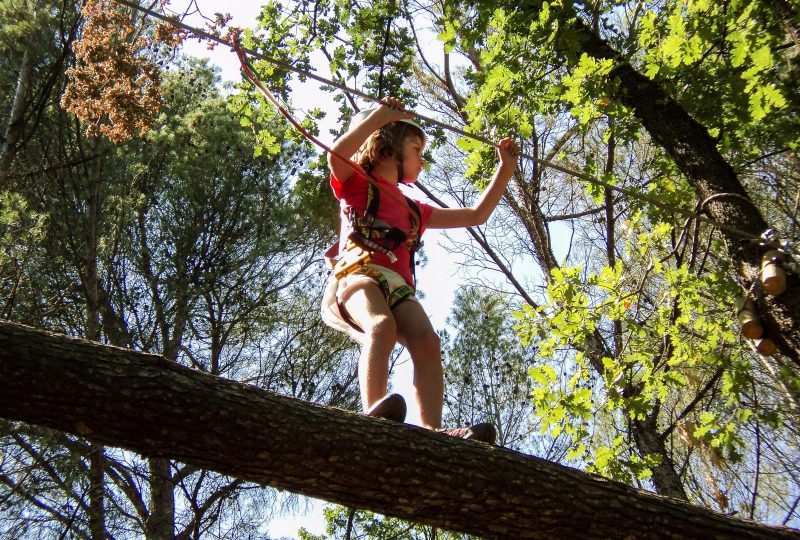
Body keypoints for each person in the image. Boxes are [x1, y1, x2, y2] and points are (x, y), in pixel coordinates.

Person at [321, 96, 520, 444]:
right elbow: (335, 155)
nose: (422, 159)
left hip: (396, 283)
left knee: (427, 341)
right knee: (381, 326)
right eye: (416, 148)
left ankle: (432, 430)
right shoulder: (355, 183)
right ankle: (373, 411)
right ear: (387, 148)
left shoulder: (415, 209)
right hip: (359, 273)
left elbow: (476, 215)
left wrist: (505, 169)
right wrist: (381, 116)